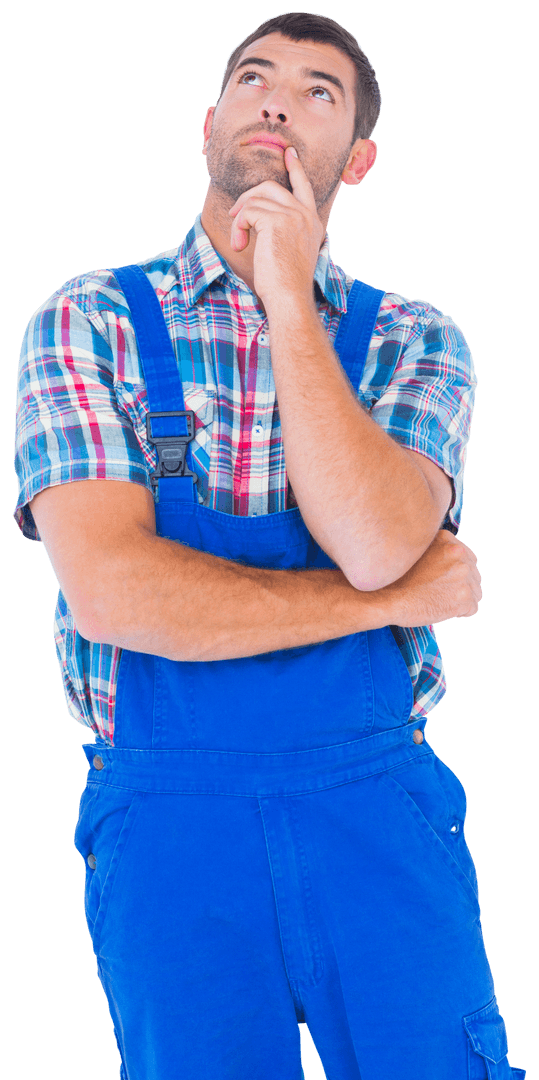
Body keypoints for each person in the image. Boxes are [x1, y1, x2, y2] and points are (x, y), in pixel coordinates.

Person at [13, 12, 526, 1080]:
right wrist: (383, 604)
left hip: (376, 811)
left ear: (359, 159)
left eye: (316, 91)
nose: (277, 101)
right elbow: (112, 593)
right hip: (169, 824)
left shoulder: (414, 340)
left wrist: (287, 295)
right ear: (209, 124)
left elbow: (375, 542)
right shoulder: (89, 320)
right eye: (254, 78)